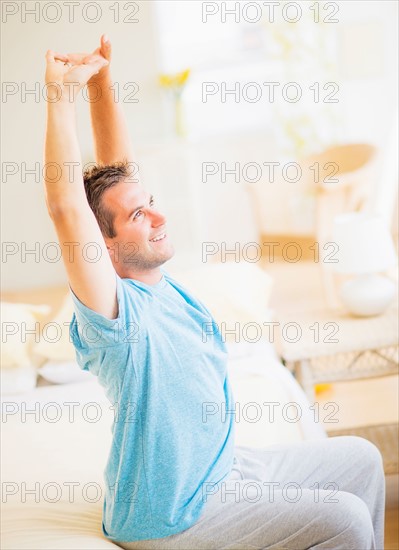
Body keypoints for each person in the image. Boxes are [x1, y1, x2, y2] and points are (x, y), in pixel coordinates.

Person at [44, 35, 385, 550]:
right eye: (139, 216)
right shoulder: (116, 315)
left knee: (362, 459)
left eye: (152, 202)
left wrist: (102, 83)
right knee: (346, 520)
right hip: (171, 512)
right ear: (105, 248)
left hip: (225, 469)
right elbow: (69, 208)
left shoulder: (160, 288)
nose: (159, 215)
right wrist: (59, 95)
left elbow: (122, 176)